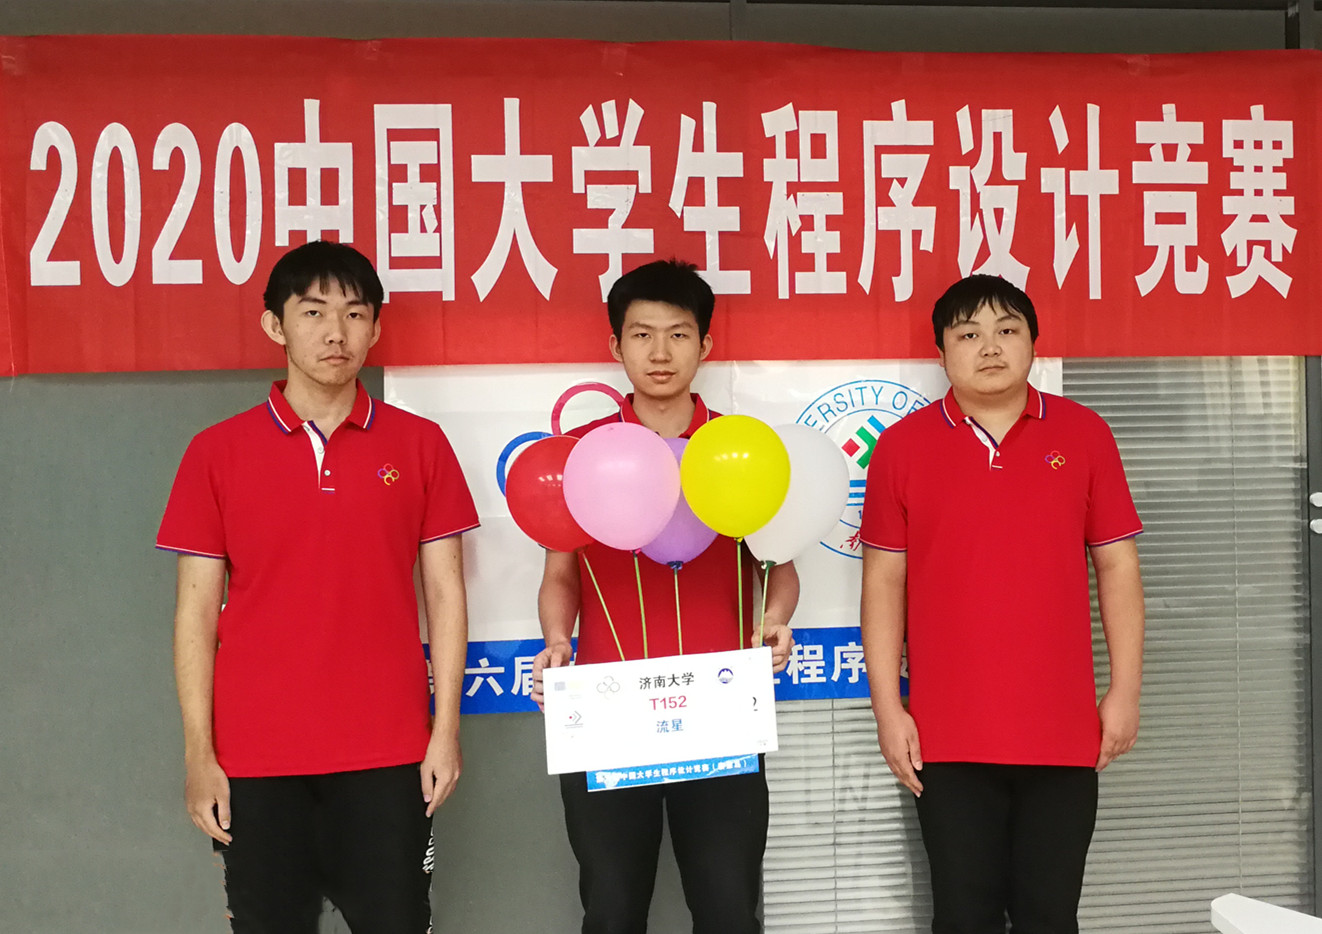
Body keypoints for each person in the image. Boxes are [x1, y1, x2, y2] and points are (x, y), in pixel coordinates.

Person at [157, 240, 477, 934]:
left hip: (389, 752)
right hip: (257, 759)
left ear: (376, 328)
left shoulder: (420, 445)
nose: (336, 332)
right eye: (313, 312)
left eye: (355, 314)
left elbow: (447, 597)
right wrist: (199, 754)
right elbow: (194, 614)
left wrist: (444, 732)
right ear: (274, 325)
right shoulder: (216, 452)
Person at [858, 274, 1145, 934]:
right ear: (941, 354)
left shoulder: (1084, 433)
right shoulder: (902, 447)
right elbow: (883, 583)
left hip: (1062, 733)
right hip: (946, 737)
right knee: (964, 916)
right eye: (968, 334)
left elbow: (1118, 566)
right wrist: (887, 709)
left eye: (1007, 330)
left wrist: (1124, 692)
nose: (989, 347)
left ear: (1034, 343)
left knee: (1050, 916)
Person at [531, 259, 799, 934]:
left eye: (678, 334)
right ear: (615, 345)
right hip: (607, 711)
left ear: (705, 344)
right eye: (641, 334)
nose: (659, 352)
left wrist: (775, 619)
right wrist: (557, 641)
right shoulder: (585, 455)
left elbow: (779, 566)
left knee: (729, 908)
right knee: (612, 909)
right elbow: (561, 574)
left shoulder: (737, 452)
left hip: (720, 708)